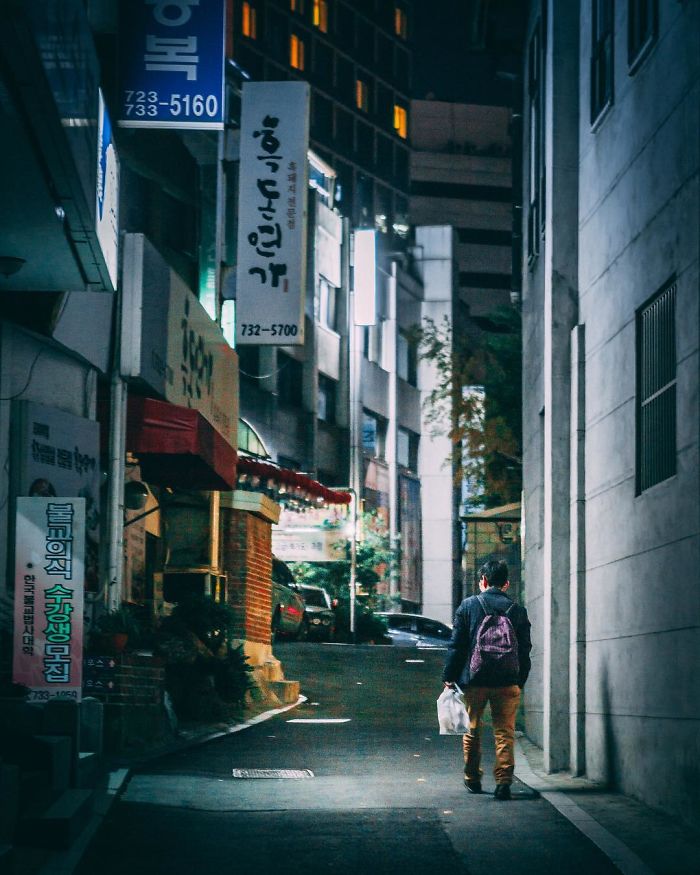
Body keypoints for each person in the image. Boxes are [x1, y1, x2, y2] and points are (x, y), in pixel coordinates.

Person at [442, 558, 532, 800]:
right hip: (507, 682)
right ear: (506, 584)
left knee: (471, 729)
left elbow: (457, 646)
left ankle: (472, 778)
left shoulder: (468, 606)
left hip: (474, 681)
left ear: (482, 580)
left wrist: (449, 678)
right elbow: (525, 649)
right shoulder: (518, 610)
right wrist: (519, 680)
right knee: (504, 731)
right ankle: (504, 781)